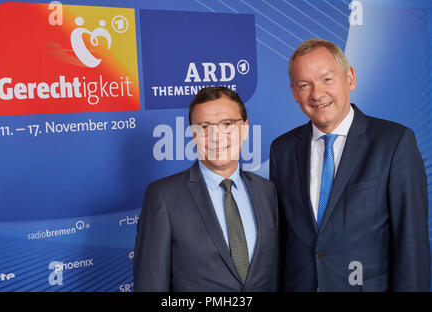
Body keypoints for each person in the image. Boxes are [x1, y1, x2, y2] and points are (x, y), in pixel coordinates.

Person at [270, 38, 430, 291]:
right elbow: (281, 242)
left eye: (327, 79)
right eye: (304, 85)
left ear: (350, 78)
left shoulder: (395, 142)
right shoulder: (282, 149)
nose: (317, 94)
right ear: (294, 92)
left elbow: (412, 244)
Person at [134, 86, 279, 291]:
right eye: (204, 127)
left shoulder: (267, 191)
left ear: (245, 129)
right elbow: (151, 284)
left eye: (227, 124)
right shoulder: (163, 197)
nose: (216, 137)